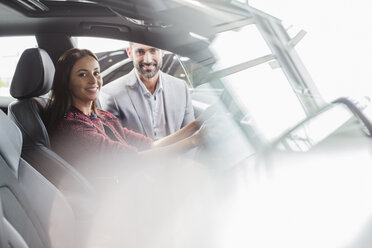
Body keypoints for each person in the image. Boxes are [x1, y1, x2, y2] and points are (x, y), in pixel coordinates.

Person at [43, 48, 206, 182]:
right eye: (83, 74)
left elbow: (149, 145)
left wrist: (197, 124)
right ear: (67, 81)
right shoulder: (72, 126)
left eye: (96, 73)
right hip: (110, 201)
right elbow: (132, 160)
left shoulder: (102, 116)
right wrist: (194, 140)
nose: (94, 80)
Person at [100, 42, 194, 140]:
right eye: (140, 52)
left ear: (162, 51)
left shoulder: (181, 87)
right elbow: (116, 145)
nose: (148, 60)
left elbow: (190, 134)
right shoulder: (110, 94)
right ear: (130, 53)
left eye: (153, 51)